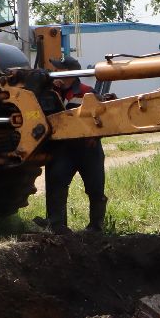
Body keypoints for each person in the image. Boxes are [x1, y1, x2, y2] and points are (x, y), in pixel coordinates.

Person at [44, 57, 107, 232]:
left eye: (58, 70)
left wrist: (95, 137)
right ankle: (57, 226)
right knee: (56, 185)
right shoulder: (50, 92)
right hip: (62, 149)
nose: (54, 73)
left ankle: (96, 226)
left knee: (95, 188)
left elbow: (103, 118)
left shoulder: (87, 92)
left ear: (70, 74)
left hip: (87, 148)